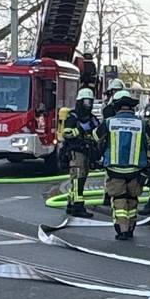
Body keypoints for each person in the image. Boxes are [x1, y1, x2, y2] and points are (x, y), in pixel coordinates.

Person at [97, 88, 150, 241]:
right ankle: (131, 227)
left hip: (115, 169)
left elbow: (95, 138)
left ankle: (122, 230)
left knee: (119, 200)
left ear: (116, 107)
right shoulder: (142, 124)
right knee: (132, 199)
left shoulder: (109, 122)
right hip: (136, 170)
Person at [59, 87, 103, 218]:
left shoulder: (92, 118)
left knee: (80, 179)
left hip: (86, 152)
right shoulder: (73, 116)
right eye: (86, 102)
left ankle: (71, 204)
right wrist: (80, 130)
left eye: (90, 102)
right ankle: (78, 206)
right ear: (80, 101)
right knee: (78, 179)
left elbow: (98, 131)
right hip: (76, 151)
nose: (88, 105)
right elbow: (66, 133)